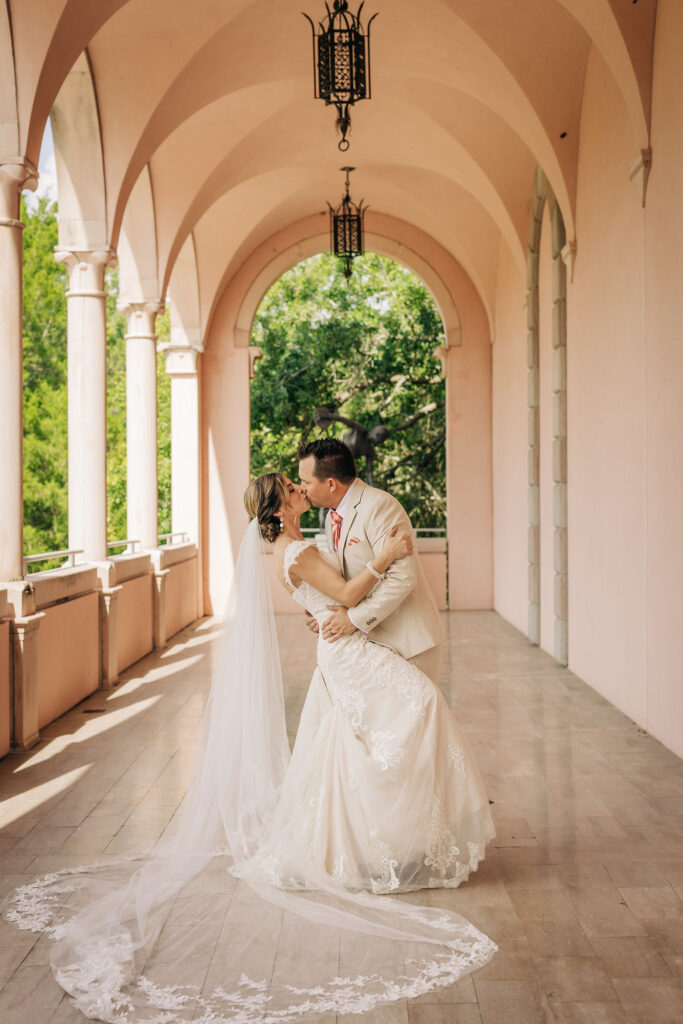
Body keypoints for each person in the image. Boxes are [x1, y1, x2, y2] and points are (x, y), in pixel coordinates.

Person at [2, 465, 496, 1024]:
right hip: (348, 651)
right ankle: (378, 839)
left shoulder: (296, 547)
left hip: (340, 647)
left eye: (300, 482)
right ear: (281, 504)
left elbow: (330, 600)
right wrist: (387, 556)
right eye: (292, 486)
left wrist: (331, 611)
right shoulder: (297, 551)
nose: (300, 489)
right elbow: (349, 589)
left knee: (349, 743)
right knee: (420, 708)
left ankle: (366, 841)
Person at [297, 437, 445, 682]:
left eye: (306, 482)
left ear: (330, 483)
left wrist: (352, 620)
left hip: (406, 642)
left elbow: (403, 578)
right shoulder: (330, 517)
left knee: (413, 720)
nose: (302, 488)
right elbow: (347, 579)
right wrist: (326, 617)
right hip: (371, 644)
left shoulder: (380, 506)